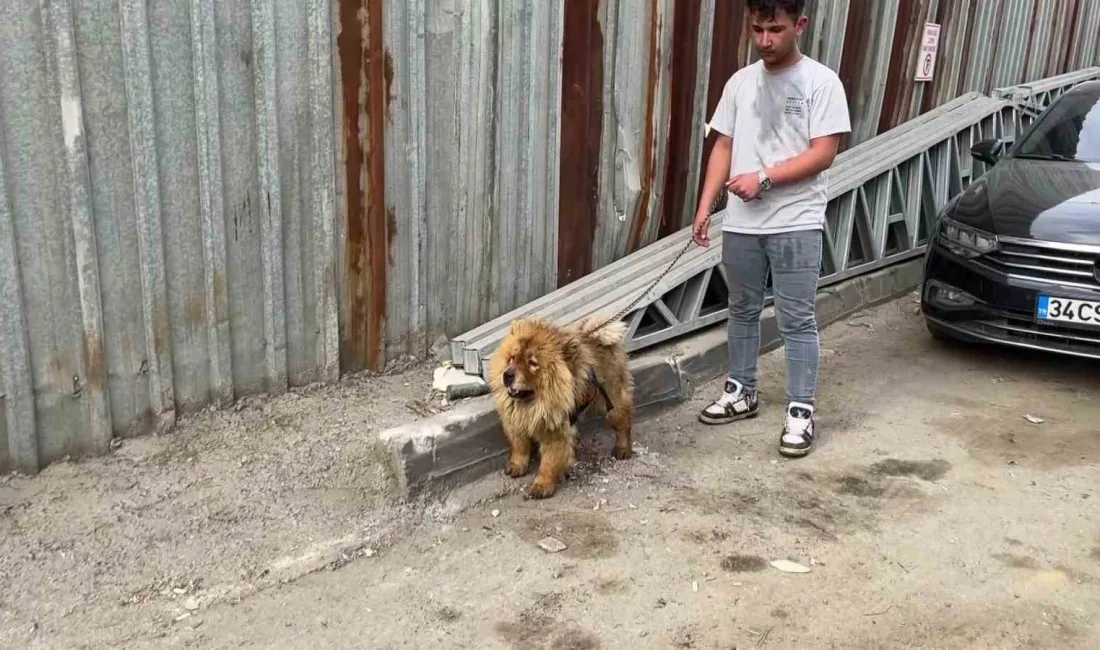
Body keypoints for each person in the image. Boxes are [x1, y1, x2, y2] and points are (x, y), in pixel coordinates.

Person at [690, 0, 851, 457]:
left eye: (776, 29)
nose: (765, 40)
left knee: (795, 316)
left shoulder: (821, 82)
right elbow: (724, 143)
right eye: (758, 29)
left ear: (799, 25)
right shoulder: (740, 83)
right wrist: (705, 206)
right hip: (741, 224)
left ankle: (800, 409)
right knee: (741, 308)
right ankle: (741, 389)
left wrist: (764, 178)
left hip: (796, 220)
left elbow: (824, 152)